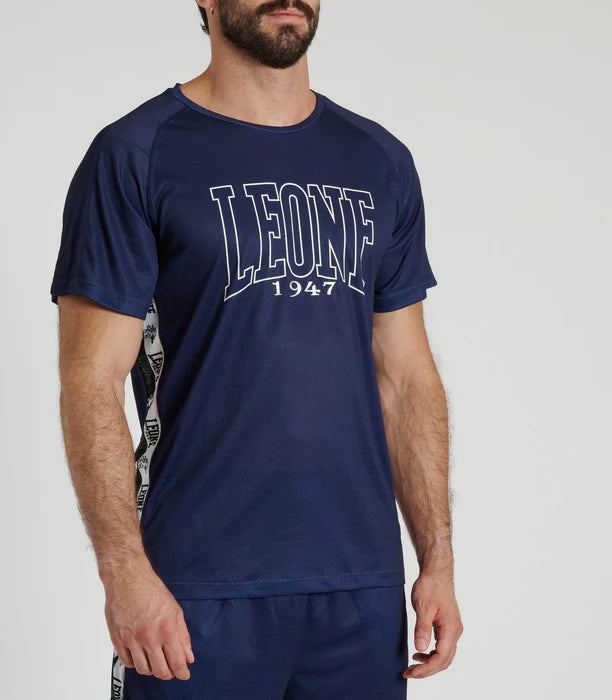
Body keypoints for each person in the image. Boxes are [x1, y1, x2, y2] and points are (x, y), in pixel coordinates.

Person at [49, 1, 463, 697]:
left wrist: (438, 560)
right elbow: (91, 376)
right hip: (193, 588)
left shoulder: (379, 160)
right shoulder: (136, 153)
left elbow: (407, 377)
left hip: (359, 589)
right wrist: (124, 571)